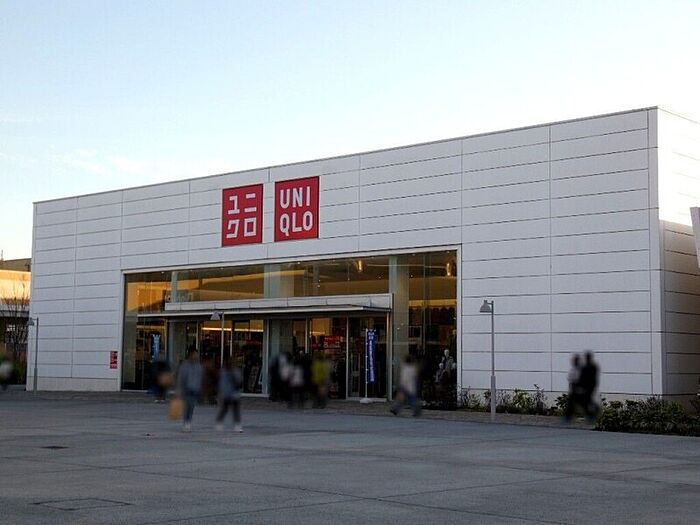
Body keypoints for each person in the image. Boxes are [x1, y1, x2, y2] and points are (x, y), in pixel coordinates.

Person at [176, 349, 203, 432]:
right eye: (195, 354)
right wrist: (179, 389)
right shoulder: (185, 366)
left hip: (195, 389)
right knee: (187, 407)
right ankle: (186, 423)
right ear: (190, 355)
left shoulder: (198, 366)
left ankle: (188, 423)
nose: (196, 356)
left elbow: (200, 377)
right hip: (187, 389)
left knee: (191, 407)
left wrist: (200, 388)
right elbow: (181, 378)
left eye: (197, 355)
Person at [215, 359, 243, 432]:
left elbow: (239, 382)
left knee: (235, 410)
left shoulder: (235, 371)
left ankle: (237, 425)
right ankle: (220, 423)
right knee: (225, 409)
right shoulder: (224, 373)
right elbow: (222, 384)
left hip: (234, 394)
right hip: (227, 394)